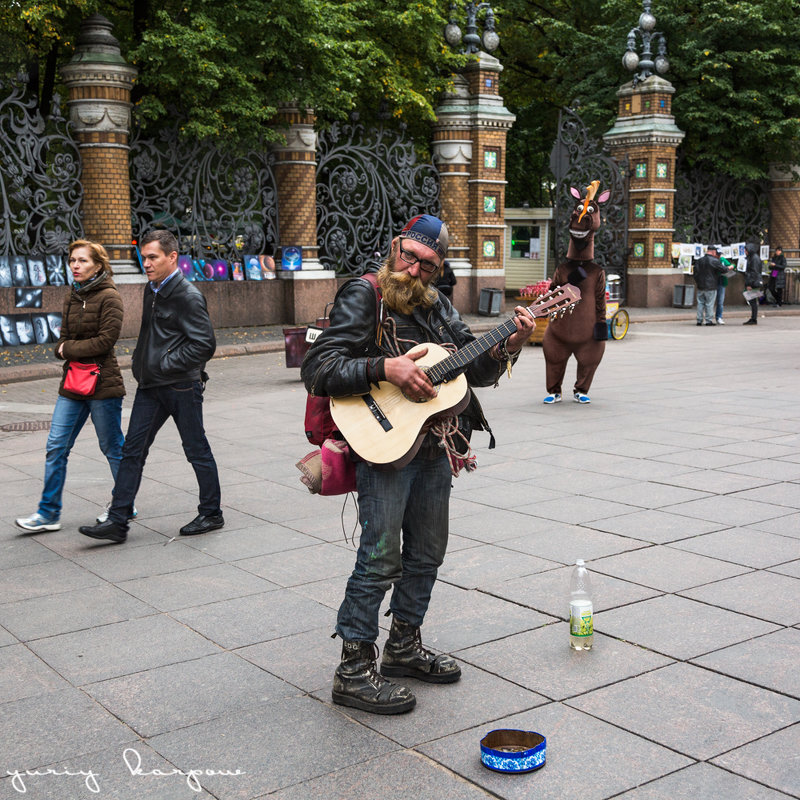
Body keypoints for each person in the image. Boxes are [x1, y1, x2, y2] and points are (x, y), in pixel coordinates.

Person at [301, 214, 534, 715]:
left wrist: (508, 344)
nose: (414, 271)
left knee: (427, 552)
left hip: (434, 445)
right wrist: (385, 367)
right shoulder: (364, 295)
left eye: (428, 266)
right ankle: (353, 670)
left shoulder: (438, 304)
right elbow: (318, 368)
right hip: (383, 447)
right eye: (409, 257)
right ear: (394, 247)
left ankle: (403, 647)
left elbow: (474, 369)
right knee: (380, 557)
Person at [78, 229, 223, 543]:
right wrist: (143, 364)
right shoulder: (152, 289)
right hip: (151, 386)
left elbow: (204, 345)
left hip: (181, 386)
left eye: (152, 257)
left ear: (173, 257)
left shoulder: (187, 295)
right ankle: (118, 521)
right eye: (143, 257)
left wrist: (164, 364)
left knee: (196, 449)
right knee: (132, 452)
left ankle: (211, 512)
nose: (146, 263)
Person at [15, 240, 125, 532]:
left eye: (82, 261)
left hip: (103, 382)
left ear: (98, 265)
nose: (75, 266)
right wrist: (65, 349)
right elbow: (60, 341)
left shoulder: (110, 297)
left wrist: (67, 349)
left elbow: (106, 342)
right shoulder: (71, 296)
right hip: (73, 382)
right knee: (55, 447)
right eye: (72, 260)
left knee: (113, 448)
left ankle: (125, 505)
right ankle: (48, 513)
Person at [542, 180, 609, 404]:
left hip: (587, 334)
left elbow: (600, 300)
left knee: (590, 357)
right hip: (560, 331)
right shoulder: (562, 269)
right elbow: (552, 294)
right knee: (554, 357)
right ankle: (554, 390)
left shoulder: (597, 272)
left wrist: (601, 323)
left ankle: (582, 389)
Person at [693, 244, 731, 326]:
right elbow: (723, 269)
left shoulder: (699, 260)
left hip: (700, 285)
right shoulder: (714, 261)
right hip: (711, 286)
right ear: (713, 252)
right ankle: (708, 320)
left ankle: (699, 320)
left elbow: (695, 273)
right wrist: (729, 268)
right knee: (709, 303)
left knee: (700, 303)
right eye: (715, 252)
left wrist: (698, 282)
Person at [743, 242, 763, 325]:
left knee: (753, 301)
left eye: (746, 250)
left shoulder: (754, 258)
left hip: (753, 282)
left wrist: (749, 284)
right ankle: (753, 318)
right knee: (752, 301)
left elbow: (753, 273)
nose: (745, 251)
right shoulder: (752, 257)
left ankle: (753, 318)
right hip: (754, 281)